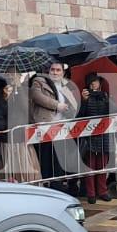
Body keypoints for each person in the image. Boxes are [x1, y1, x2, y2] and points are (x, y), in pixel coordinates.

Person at [29, 62, 78, 192]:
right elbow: (37, 97)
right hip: (45, 125)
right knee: (46, 157)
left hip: (62, 126)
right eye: (53, 70)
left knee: (60, 156)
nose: (55, 72)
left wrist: (70, 110)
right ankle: (47, 184)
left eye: (58, 70)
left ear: (63, 72)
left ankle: (59, 183)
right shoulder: (39, 81)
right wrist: (57, 105)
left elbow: (73, 103)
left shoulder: (65, 85)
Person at [77, 74, 113, 203]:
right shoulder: (84, 97)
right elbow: (80, 116)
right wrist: (84, 101)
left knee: (102, 165)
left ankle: (102, 191)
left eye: (96, 82)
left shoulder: (105, 96)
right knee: (90, 166)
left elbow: (111, 112)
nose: (94, 84)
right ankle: (91, 193)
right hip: (89, 136)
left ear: (100, 83)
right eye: (91, 82)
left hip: (103, 134)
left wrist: (109, 100)